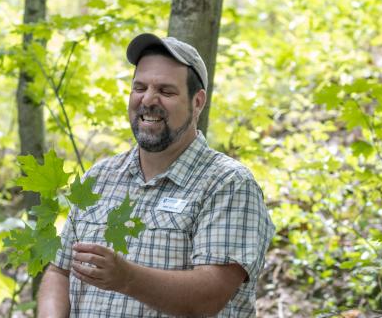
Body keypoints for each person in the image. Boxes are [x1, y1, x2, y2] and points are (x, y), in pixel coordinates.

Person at [37, 33, 275, 317]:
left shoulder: (228, 184)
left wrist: (127, 278)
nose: (148, 99)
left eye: (166, 91)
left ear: (197, 102)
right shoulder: (98, 178)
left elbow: (210, 296)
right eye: (140, 87)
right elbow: (59, 271)